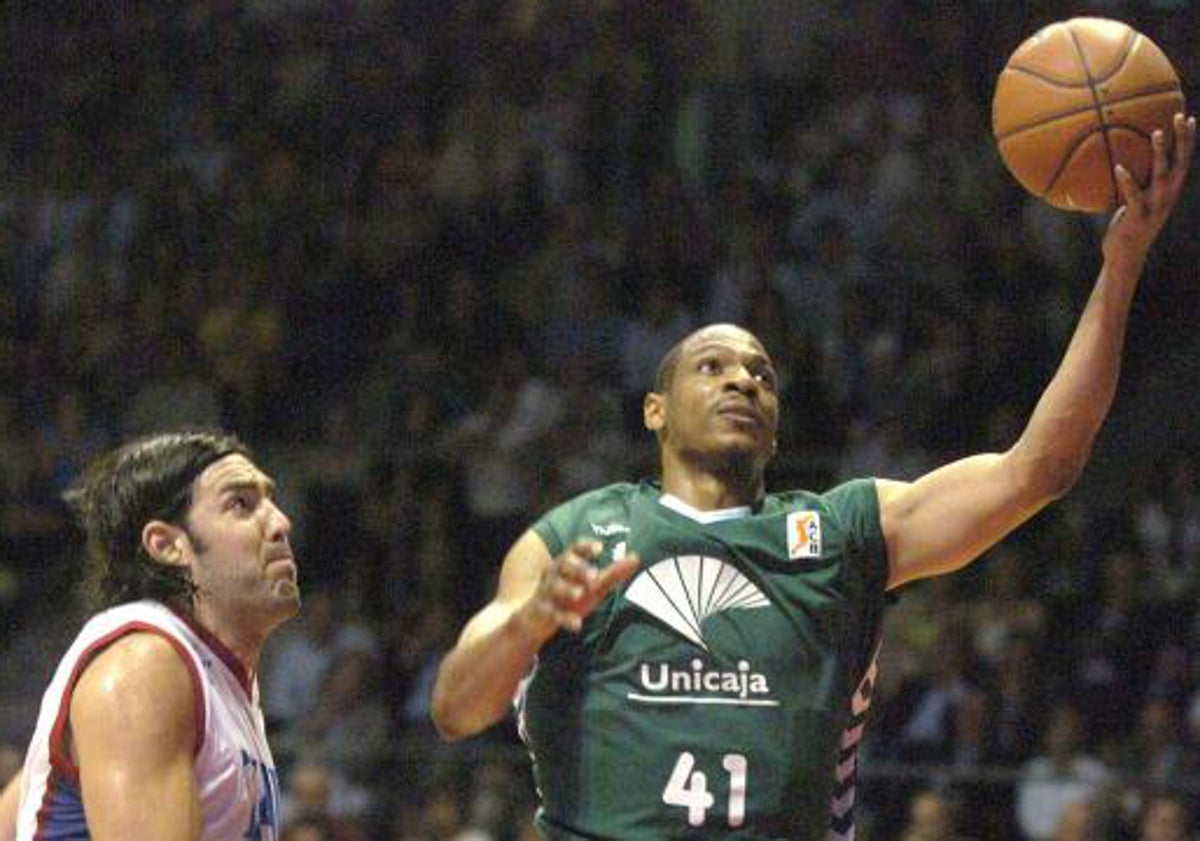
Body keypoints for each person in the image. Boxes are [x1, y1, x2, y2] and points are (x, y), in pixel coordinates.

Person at [431, 115, 1195, 840]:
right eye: (714, 365)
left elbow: (1040, 468)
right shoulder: (574, 535)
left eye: (761, 374)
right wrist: (531, 619)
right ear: (655, 410)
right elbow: (457, 709)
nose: (743, 380)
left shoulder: (842, 532)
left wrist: (1120, 266)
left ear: (777, 420)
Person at [0, 430, 300, 840]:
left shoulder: (211, 679)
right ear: (167, 544)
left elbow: (23, 811)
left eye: (271, 501)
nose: (281, 523)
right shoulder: (143, 665)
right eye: (241, 504)